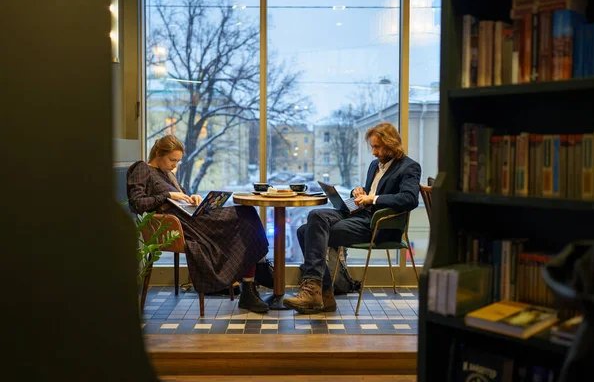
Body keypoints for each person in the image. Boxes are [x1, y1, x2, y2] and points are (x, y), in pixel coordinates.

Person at [284, 122, 421, 314]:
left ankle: (319, 293)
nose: (374, 152)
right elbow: (369, 193)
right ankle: (321, 294)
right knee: (313, 219)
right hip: (359, 213)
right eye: (372, 147)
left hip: (378, 225)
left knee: (308, 231)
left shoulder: (409, 167)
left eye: (377, 147)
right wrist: (358, 192)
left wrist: (373, 198)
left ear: (391, 144)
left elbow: (409, 199)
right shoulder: (375, 165)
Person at [127, 135, 270, 313]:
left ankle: (251, 282)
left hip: (192, 218)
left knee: (247, 213)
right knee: (246, 215)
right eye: (172, 160)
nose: (174, 165)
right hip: (181, 226)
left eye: (178, 161)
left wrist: (192, 198)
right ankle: (256, 274)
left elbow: (179, 200)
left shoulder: (168, 175)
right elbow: (138, 203)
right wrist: (168, 195)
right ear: (158, 154)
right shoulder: (142, 169)